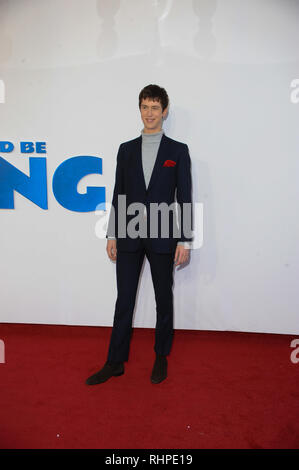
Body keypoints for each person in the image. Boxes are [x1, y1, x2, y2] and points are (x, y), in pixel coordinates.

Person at [86, 84, 193, 385]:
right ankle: (115, 361)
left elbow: (184, 197)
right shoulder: (126, 149)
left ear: (165, 111)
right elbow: (119, 193)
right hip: (129, 234)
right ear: (140, 109)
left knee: (163, 299)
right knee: (124, 300)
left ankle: (161, 357)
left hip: (163, 234)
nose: (150, 113)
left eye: (155, 107)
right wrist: (111, 235)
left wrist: (184, 240)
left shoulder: (178, 151)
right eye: (145, 107)